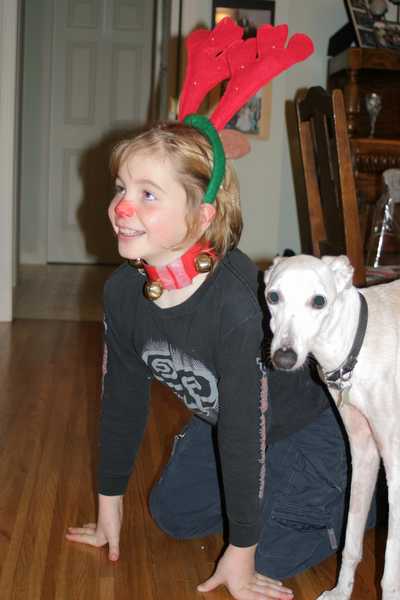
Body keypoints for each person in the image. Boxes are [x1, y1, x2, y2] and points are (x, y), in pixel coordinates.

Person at [65, 118, 355, 600]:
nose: (121, 207)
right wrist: (108, 506)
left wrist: (242, 549)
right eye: (121, 188)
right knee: (173, 515)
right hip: (227, 420)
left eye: (147, 194)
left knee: (264, 555)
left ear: (202, 216)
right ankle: (269, 495)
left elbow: (245, 430)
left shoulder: (237, 306)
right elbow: (121, 402)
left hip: (308, 428)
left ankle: (366, 496)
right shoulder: (122, 292)